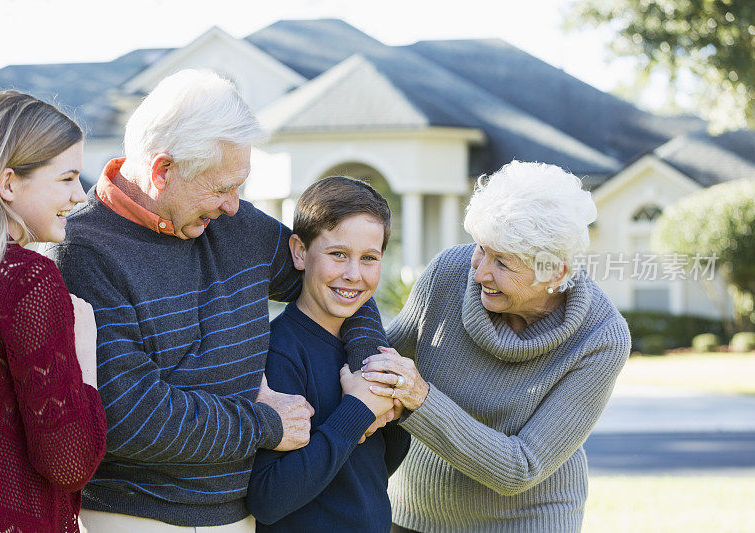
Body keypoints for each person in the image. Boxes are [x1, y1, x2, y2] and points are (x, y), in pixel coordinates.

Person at [41, 70, 387, 532]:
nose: (233, 205)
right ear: (163, 170)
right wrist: (264, 424)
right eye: (221, 187)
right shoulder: (84, 252)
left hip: (239, 517)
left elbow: (340, 284)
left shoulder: (237, 227)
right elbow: (129, 415)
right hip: (134, 517)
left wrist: (369, 364)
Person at [361, 161, 632, 532]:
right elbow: (375, 359)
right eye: (481, 249)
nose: (480, 272)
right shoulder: (449, 272)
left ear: (556, 273)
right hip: (415, 513)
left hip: (529, 519)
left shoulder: (601, 337)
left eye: (502, 262)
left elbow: (522, 467)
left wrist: (421, 399)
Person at [0, 91, 107, 532]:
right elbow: (69, 461)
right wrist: (85, 348)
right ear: (8, 184)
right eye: (67, 179)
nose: (81, 197)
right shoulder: (27, 279)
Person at [246, 176, 410, 532]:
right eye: (338, 254)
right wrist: (358, 411)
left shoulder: (371, 353)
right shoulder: (278, 352)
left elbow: (374, 466)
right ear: (300, 252)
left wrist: (397, 412)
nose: (353, 274)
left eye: (369, 258)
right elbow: (268, 498)